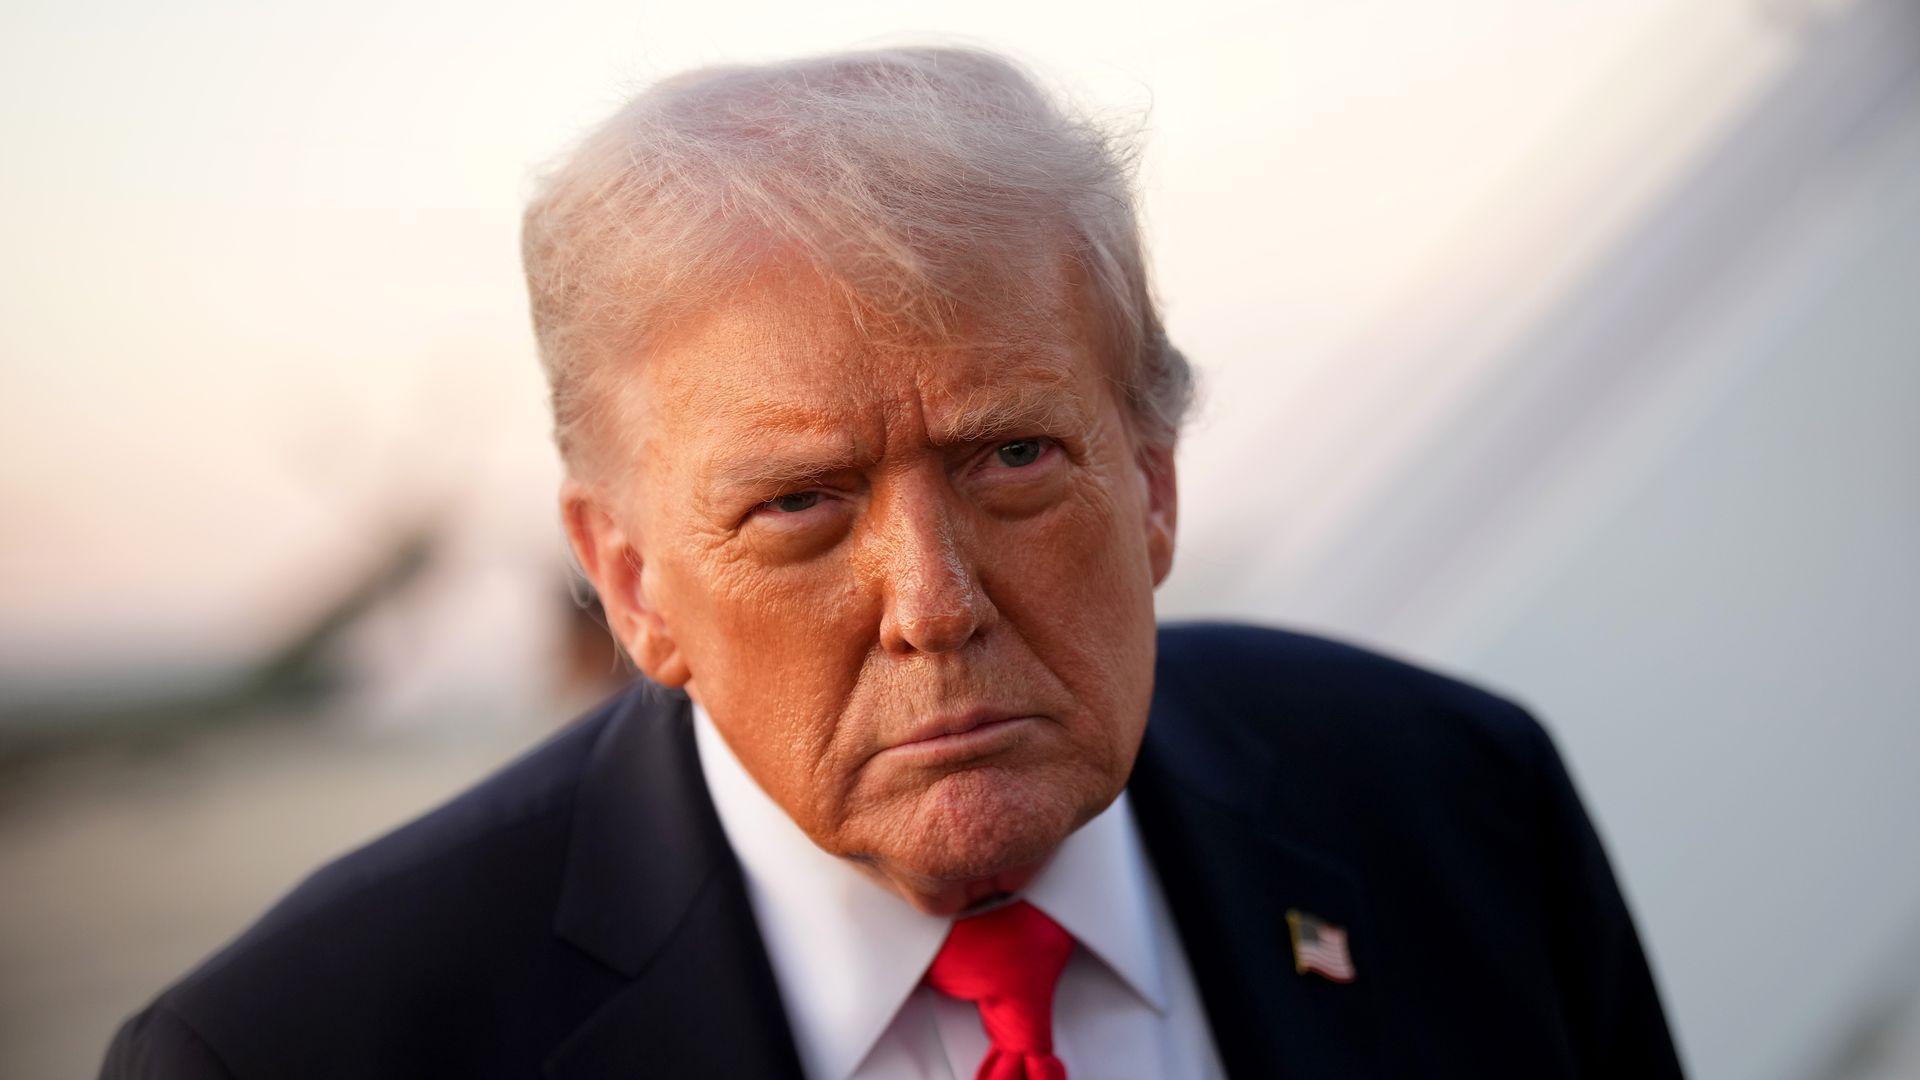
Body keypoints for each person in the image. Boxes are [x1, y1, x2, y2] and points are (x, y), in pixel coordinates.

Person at [102, 47, 1684, 1079]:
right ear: (636, 582)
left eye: (1012, 459)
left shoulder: (1457, 810)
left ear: (1154, 483)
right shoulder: (296, 1052)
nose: (934, 601)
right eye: (799, 505)